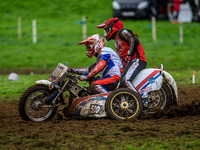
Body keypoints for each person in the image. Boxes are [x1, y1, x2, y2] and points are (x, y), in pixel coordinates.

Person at [97, 18, 147, 92]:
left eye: (107, 30)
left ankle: (140, 101)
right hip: (129, 63)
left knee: (126, 80)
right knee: (121, 83)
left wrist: (129, 54)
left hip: (137, 60)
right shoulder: (116, 42)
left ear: (113, 28)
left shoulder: (122, 32)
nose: (106, 33)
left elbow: (134, 40)